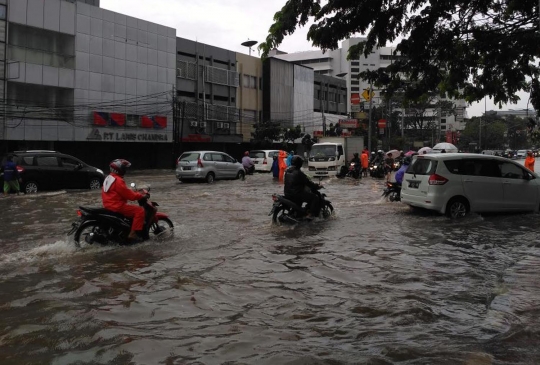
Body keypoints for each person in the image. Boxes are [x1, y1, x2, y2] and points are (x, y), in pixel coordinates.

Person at [102, 159, 147, 242]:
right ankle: (132, 234)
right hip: (117, 206)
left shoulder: (109, 178)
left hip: (108, 205)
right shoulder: (118, 180)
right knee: (140, 211)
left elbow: (120, 191)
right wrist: (139, 195)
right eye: (124, 168)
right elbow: (129, 195)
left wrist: (132, 192)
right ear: (119, 169)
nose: (125, 170)